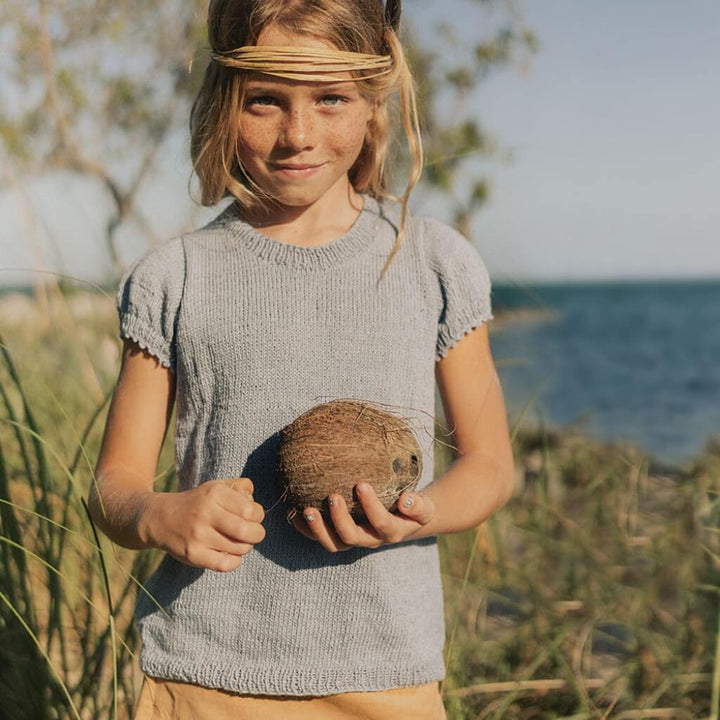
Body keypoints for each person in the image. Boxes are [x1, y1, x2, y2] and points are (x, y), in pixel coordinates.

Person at [89, 0, 515, 717]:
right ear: (226, 99)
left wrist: (421, 512)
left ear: (373, 103)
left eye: (330, 99)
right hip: (202, 677)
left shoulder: (433, 263)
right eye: (265, 102)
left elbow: (492, 465)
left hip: (388, 676)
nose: (297, 134)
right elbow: (113, 484)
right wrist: (159, 515)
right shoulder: (176, 276)